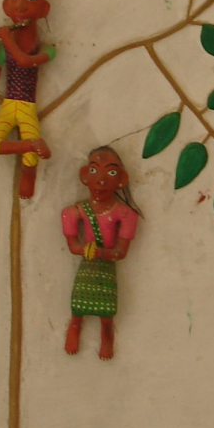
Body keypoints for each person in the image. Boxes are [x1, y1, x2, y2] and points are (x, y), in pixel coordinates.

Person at [61, 146, 142, 360]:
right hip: (88, 264)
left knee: (107, 311)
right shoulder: (74, 212)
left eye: (111, 173)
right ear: (85, 176)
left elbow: (120, 252)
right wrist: (86, 250)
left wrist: (101, 254)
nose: (102, 180)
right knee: (78, 305)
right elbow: (73, 246)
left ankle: (107, 336)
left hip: (105, 265)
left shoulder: (125, 214)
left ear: (121, 180)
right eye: (95, 171)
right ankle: (75, 327)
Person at [0, 0, 53, 198]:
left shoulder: (46, 48)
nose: (20, 5)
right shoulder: (3, 46)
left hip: (28, 106)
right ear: (6, 5)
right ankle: (30, 144)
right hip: (8, 105)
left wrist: (7, 40)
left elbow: (25, 61)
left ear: (44, 9)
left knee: (32, 159)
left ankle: (28, 174)